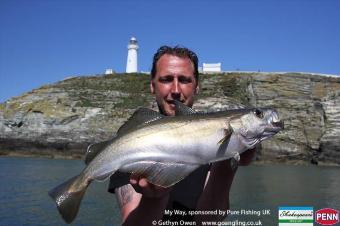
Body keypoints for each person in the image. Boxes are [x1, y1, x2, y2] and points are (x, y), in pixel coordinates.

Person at [108, 45, 255, 225]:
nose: (176, 89)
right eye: (166, 79)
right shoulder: (129, 143)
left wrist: (228, 161)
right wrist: (154, 199)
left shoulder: (215, 143)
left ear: (197, 86)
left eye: (184, 80)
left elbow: (209, 220)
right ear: (152, 85)